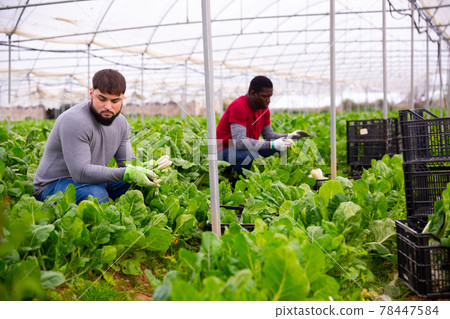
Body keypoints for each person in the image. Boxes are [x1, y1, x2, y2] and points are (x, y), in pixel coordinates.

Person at [33, 69, 167, 204]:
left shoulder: (121, 123)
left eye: (115, 101)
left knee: (140, 184)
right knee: (96, 196)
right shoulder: (74, 120)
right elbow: (81, 173)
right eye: (102, 99)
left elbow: (127, 163)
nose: (108, 106)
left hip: (93, 180)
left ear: (122, 99)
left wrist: (146, 168)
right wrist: (128, 173)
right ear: (91, 93)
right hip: (54, 185)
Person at [216, 75, 309, 175]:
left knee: (281, 150)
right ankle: (233, 182)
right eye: (265, 96)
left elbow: (269, 135)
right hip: (225, 150)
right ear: (252, 93)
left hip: (247, 148)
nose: (268, 100)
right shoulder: (239, 106)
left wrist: (288, 136)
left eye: (270, 96)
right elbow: (239, 142)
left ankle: (273, 180)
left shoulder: (264, 109)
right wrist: (271, 144)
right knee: (249, 156)